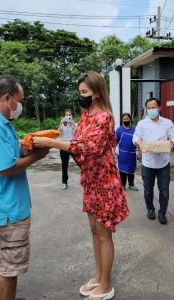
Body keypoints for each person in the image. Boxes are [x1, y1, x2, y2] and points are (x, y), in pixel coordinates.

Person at [33, 71, 129, 300]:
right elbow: (77, 142)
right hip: (92, 181)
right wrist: (54, 136)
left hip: (105, 182)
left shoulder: (105, 117)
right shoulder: (85, 116)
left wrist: (51, 142)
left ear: (96, 93)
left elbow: (88, 148)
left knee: (105, 234)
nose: (81, 97)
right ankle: (98, 276)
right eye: (80, 93)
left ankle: (106, 285)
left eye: (85, 92)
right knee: (95, 232)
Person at [0, 75, 49, 300]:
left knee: (3, 260)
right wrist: (37, 157)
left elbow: (9, 153)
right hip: (6, 210)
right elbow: (6, 168)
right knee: (10, 268)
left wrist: (27, 148)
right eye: (20, 100)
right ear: (7, 98)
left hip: (2, 207)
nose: (20, 106)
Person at [133, 97, 174, 225]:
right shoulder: (142, 124)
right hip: (147, 162)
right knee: (148, 189)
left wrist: (173, 142)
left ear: (159, 108)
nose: (151, 110)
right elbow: (136, 136)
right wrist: (138, 143)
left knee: (164, 190)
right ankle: (150, 209)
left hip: (163, 162)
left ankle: (162, 212)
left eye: (154, 107)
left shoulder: (167, 123)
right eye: (149, 108)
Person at [116, 112, 138, 191]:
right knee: (122, 170)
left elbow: (138, 140)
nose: (126, 120)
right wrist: (112, 151)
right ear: (122, 120)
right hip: (122, 154)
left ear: (130, 119)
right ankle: (123, 185)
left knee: (131, 170)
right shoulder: (119, 130)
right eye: (124, 119)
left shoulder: (135, 129)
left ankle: (131, 185)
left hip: (132, 153)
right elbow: (115, 141)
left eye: (127, 119)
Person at [58, 109, 77, 190]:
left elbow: (79, 133)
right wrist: (60, 123)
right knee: (64, 165)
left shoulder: (75, 124)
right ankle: (64, 182)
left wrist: (74, 125)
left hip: (73, 145)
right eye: (67, 115)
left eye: (69, 115)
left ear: (72, 116)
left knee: (80, 162)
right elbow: (57, 133)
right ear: (64, 116)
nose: (68, 116)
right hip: (63, 145)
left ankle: (87, 180)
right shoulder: (62, 124)